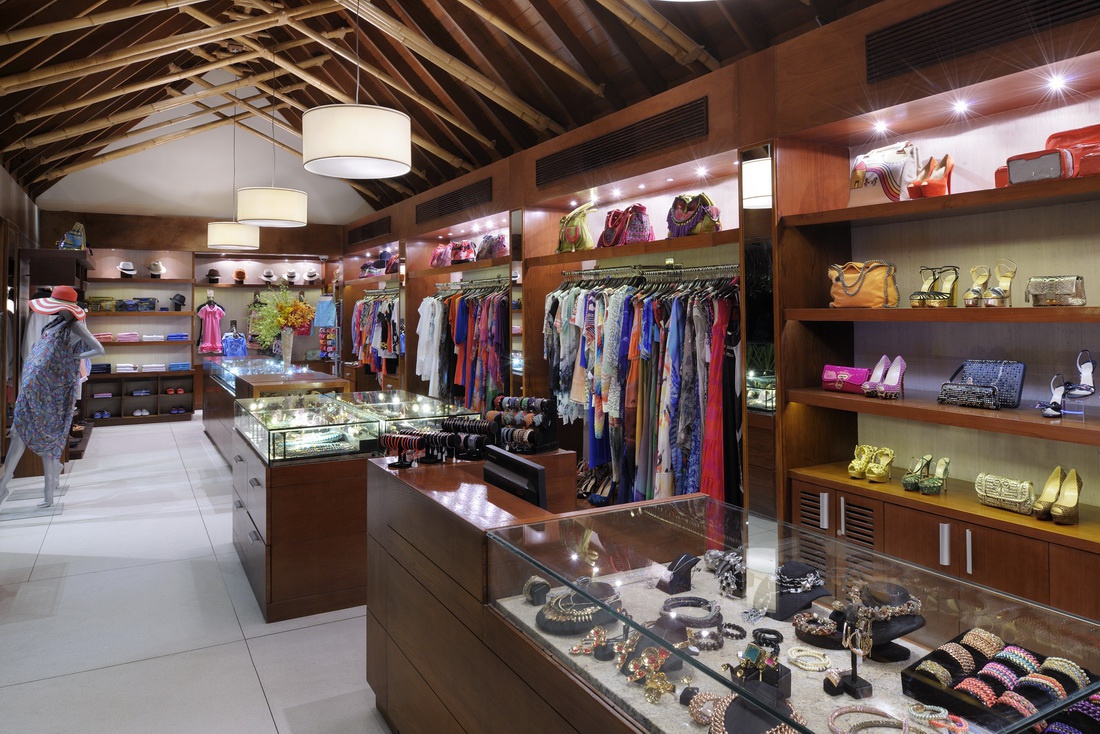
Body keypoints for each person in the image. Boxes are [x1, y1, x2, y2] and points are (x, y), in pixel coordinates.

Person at [0, 286, 104, 509]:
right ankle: (4, 483)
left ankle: (47, 493)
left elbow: (99, 349)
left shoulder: (75, 325)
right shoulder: (55, 323)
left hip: (53, 388)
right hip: (34, 383)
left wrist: (73, 356)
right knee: (18, 430)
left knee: (49, 434)